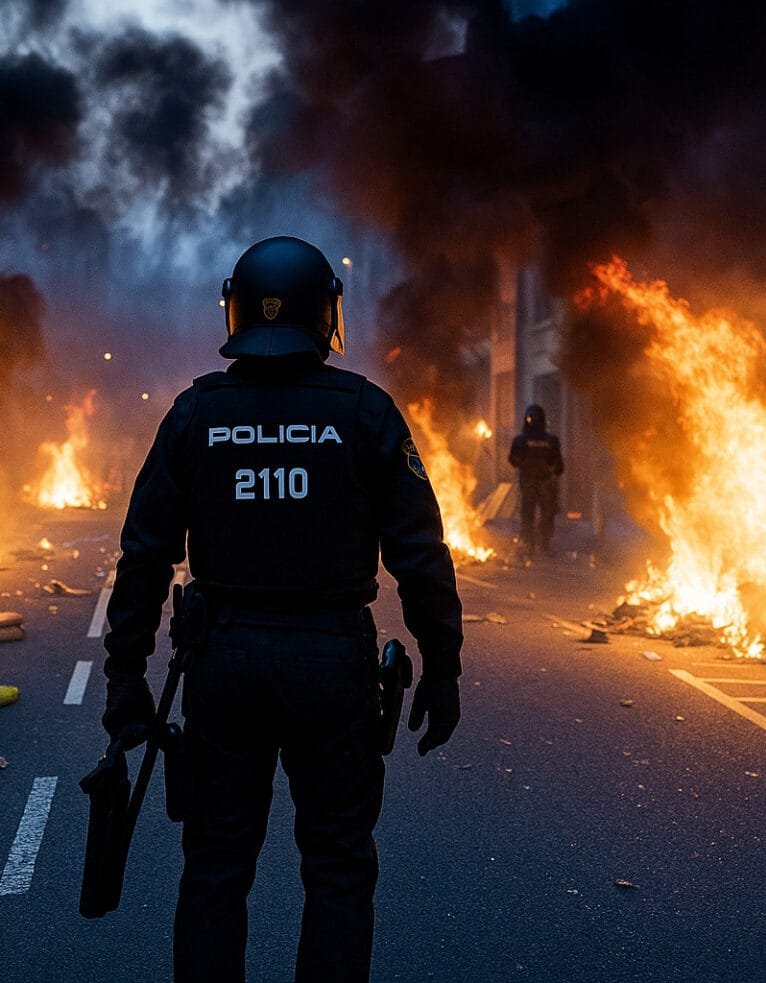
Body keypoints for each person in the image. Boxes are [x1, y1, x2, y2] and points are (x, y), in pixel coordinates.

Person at [100, 235, 463, 983]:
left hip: (223, 664)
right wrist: (443, 665)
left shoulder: (196, 414)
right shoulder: (364, 412)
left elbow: (143, 555)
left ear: (235, 307)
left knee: (215, 867)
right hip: (332, 666)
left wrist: (125, 678)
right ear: (327, 312)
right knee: (337, 867)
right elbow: (420, 555)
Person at [508, 403, 564, 560]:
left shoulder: (522, 440)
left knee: (534, 514)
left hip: (534, 483)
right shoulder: (549, 440)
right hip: (541, 483)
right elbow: (559, 465)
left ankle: (533, 545)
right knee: (538, 514)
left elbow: (513, 460)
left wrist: (524, 463)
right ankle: (536, 545)